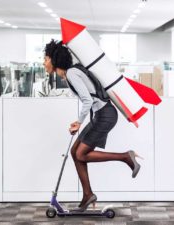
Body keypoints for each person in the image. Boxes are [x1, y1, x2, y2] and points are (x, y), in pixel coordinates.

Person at [43, 39, 142, 212]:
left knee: (81, 154)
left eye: (45, 59)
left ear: (54, 59)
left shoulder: (72, 73)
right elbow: (89, 99)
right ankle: (88, 194)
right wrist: (79, 122)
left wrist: (79, 123)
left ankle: (126, 156)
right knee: (75, 153)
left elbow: (87, 100)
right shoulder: (70, 74)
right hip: (100, 115)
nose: (43, 63)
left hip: (105, 116)